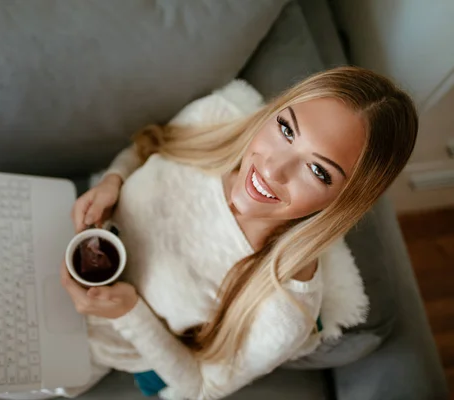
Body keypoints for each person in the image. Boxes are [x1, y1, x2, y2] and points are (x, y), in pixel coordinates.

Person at [60, 67, 418, 399]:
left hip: (79, 345)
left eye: (318, 171)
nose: (272, 168)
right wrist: (114, 180)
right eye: (286, 129)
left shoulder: (285, 307)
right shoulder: (216, 118)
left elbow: (203, 387)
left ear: (345, 201)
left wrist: (130, 313)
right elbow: (147, 148)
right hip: (55, 227)